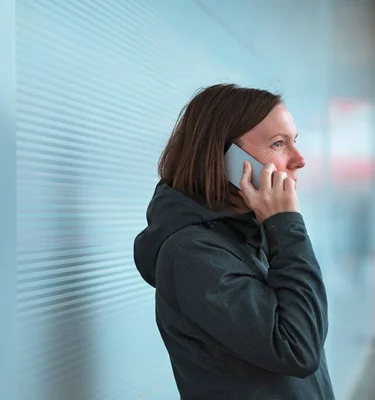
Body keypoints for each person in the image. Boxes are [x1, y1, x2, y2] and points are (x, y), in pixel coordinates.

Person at [133, 84, 334, 399]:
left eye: (294, 141)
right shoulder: (194, 255)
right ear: (225, 157)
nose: (299, 159)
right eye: (279, 144)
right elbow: (299, 347)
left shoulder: (251, 233)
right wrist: (286, 225)